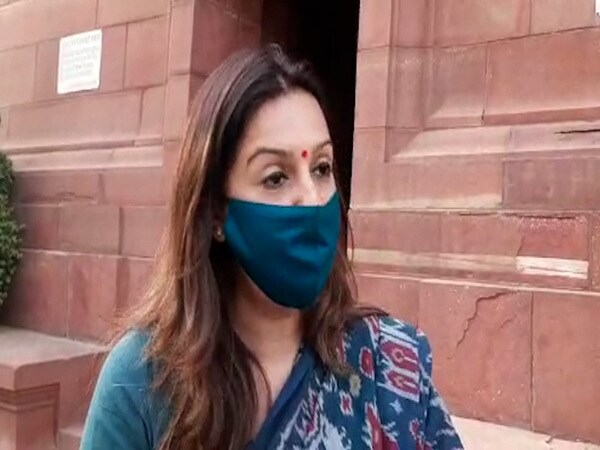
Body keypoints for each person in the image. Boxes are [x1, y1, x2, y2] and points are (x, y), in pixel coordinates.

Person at [81, 44, 463, 450]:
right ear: (216, 212)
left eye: (321, 168)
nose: (312, 198)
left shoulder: (388, 368)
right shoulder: (141, 382)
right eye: (276, 177)